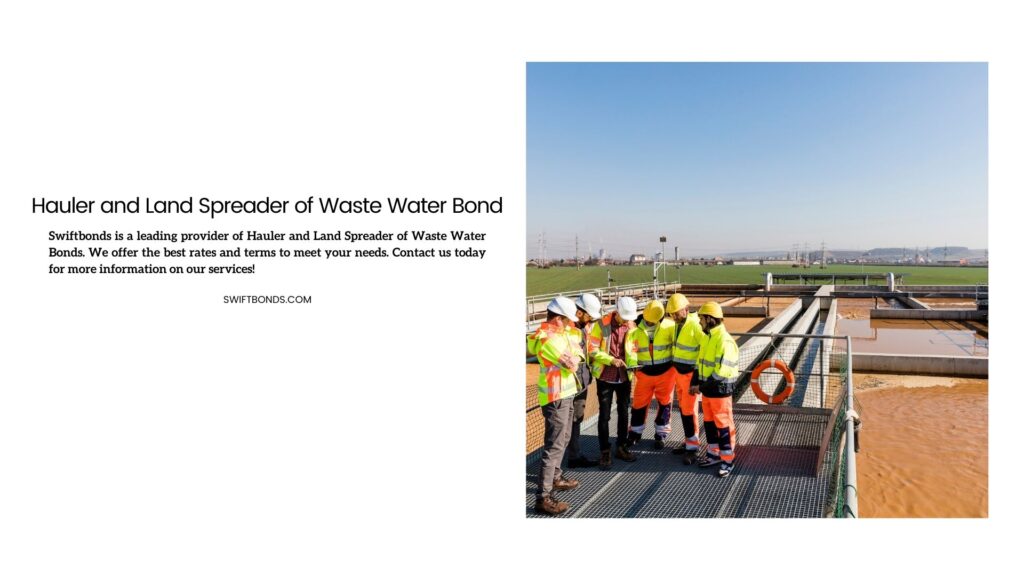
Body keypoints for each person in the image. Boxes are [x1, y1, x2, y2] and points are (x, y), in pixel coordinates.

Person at [527, 296, 585, 514]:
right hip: (556, 396)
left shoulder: (562, 334)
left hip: (567, 392)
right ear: (558, 319)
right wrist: (574, 356)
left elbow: (579, 351)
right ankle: (543, 498)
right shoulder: (547, 338)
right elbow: (571, 363)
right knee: (554, 446)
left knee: (564, 438)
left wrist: (575, 354)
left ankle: (556, 478)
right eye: (567, 320)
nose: (571, 324)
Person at [690, 301, 741, 477]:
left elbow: (721, 373)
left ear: (710, 319)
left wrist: (700, 387)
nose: (700, 322)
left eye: (701, 318)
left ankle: (728, 460)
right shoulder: (707, 338)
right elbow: (699, 363)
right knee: (710, 423)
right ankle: (714, 454)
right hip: (709, 390)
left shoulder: (725, 341)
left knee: (724, 425)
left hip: (720, 390)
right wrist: (695, 382)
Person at [588, 296, 639, 469]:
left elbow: (634, 348)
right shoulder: (601, 325)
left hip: (625, 376)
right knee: (604, 416)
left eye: (628, 318)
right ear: (616, 311)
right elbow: (592, 349)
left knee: (624, 413)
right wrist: (611, 360)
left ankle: (621, 447)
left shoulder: (632, 325)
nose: (627, 320)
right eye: (624, 317)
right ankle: (605, 451)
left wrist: (633, 364)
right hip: (605, 376)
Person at [626, 300, 676, 450]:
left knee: (665, 404)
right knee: (639, 405)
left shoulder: (670, 326)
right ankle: (635, 433)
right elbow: (630, 351)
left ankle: (661, 434)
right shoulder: (634, 329)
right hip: (644, 375)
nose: (651, 323)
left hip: (666, 373)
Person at [667, 293, 705, 464]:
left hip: (690, 376)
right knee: (684, 409)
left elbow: (704, 351)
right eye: (672, 314)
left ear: (686, 309)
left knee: (688, 412)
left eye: (677, 313)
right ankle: (690, 440)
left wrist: (696, 379)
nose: (674, 316)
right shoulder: (678, 324)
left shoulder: (695, 326)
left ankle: (692, 449)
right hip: (679, 374)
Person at [566, 293, 602, 468]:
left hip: (580, 382)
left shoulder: (582, 328)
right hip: (568, 386)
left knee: (576, 419)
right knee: (564, 425)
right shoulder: (567, 329)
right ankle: (560, 466)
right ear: (580, 312)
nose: (591, 321)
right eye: (590, 317)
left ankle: (574, 455)